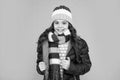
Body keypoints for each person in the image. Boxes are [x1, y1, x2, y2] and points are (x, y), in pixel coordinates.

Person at [36, 5, 92, 80]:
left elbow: (86, 66)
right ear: (53, 24)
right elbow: (40, 66)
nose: (60, 26)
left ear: (69, 24)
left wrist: (70, 67)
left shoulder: (79, 43)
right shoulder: (45, 42)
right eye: (56, 23)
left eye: (64, 23)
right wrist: (40, 68)